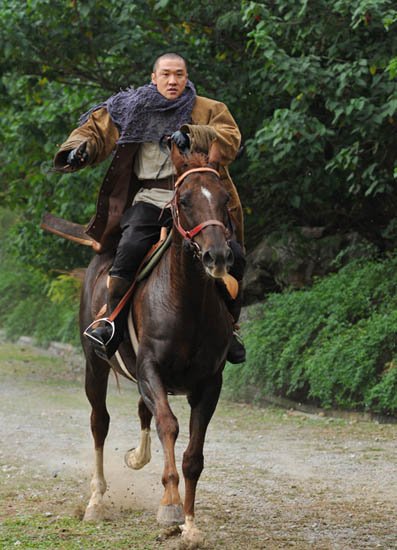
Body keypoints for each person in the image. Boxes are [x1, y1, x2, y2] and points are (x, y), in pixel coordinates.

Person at [54, 52, 246, 363]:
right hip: (151, 198)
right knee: (128, 249)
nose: (173, 81)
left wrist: (193, 133)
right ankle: (110, 322)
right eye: (167, 74)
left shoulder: (209, 109)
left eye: (180, 75)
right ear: (153, 77)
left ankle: (231, 328)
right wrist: (80, 149)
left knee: (235, 256)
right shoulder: (130, 107)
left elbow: (230, 139)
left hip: (196, 201)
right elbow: (94, 131)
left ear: (187, 77)